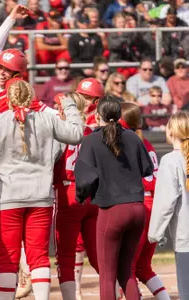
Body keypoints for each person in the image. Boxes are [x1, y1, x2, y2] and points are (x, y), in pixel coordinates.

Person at [0, 79, 84, 300]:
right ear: (31, 97)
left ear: (9, 99)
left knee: (8, 258)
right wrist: (70, 106)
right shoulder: (46, 119)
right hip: (40, 197)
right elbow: (76, 134)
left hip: (6, 198)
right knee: (39, 256)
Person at [74, 96, 154, 300]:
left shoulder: (91, 139)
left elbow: (84, 181)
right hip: (137, 208)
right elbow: (148, 169)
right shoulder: (133, 137)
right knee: (127, 272)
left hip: (112, 210)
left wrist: (83, 196)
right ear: (119, 115)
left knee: (107, 275)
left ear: (97, 115)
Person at [119, 102, 171, 300]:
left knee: (128, 267)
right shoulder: (144, 142)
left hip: (140, 205)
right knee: (142, 266)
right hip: (154, 205)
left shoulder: (128, 142)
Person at [52, 92, 99, 300]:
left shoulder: (59, 131)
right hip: (93, 195)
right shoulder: (92, 132)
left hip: (67, 192)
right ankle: (118, 290)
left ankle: (71, 296)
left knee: (65, 255)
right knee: (99, 254)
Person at [148, 110, 189, 299]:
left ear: (171, 132)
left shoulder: (171, 160)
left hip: (185, 237)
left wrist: (155, 233)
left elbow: (165, 202)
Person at [0, 4, 55, 114]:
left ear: (16, 74)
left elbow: (44, 110)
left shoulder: (19, 91)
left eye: (7, 70)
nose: (1, 73)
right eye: (0, 67)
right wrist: (12, 18)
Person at [68, 12, 103, 77]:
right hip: (79, 69)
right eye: (82, 23)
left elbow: (99, 54)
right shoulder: (73, 39)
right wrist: (83, 68)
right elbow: (74, 57)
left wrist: (93, 67)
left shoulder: (96, 37)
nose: (85, 25)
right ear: (78, 23)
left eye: (86, 22)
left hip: (94, 67)